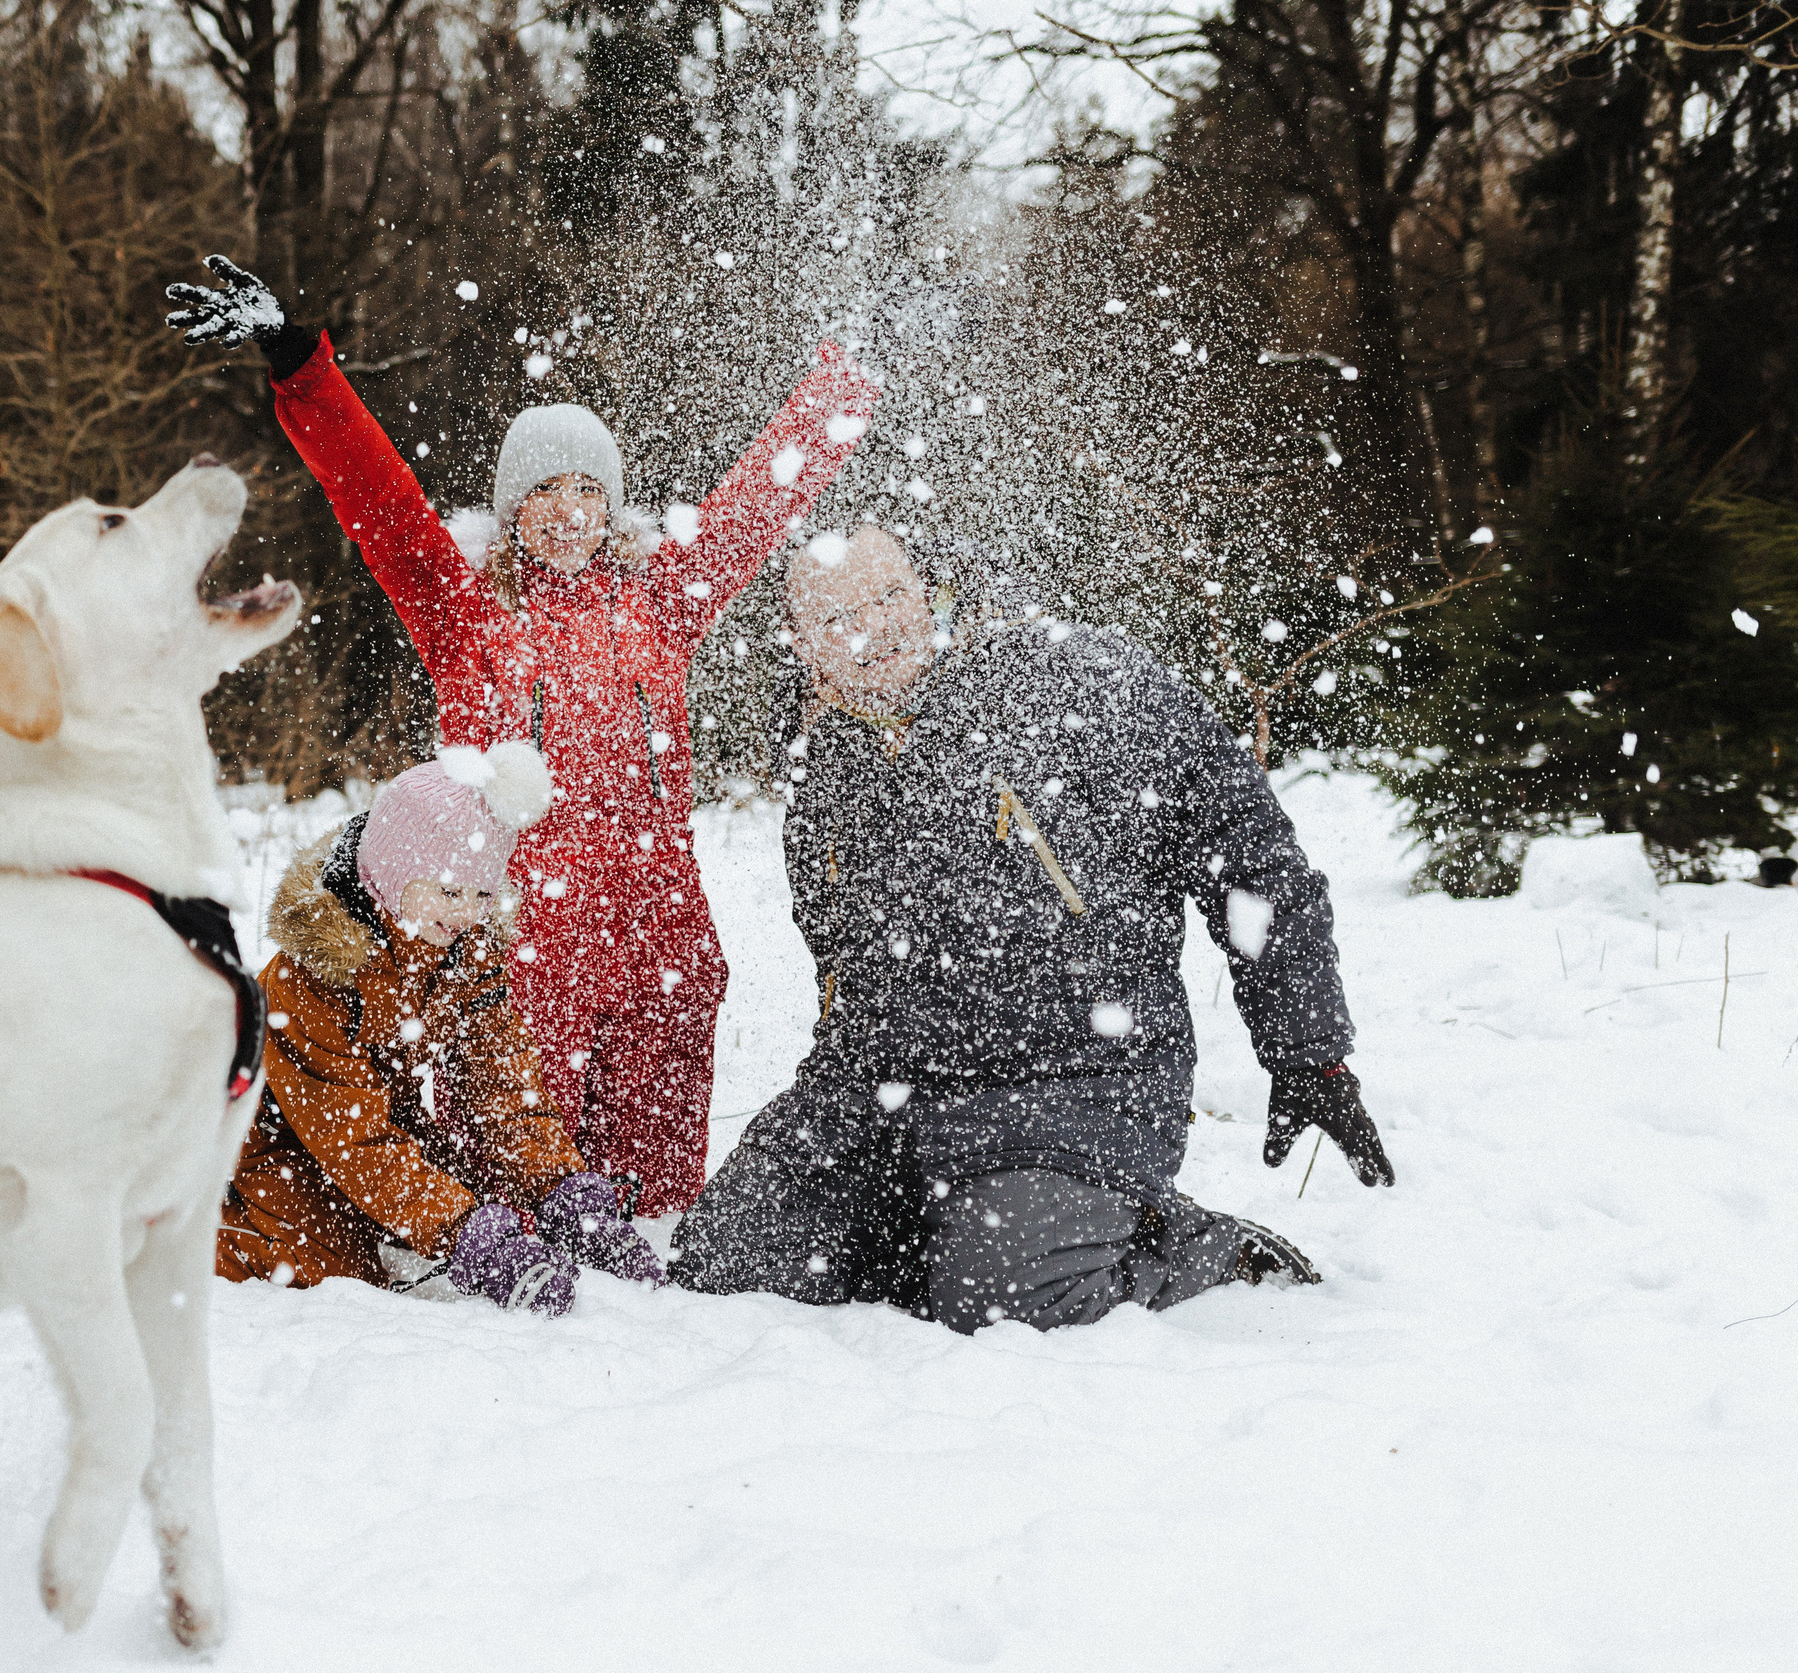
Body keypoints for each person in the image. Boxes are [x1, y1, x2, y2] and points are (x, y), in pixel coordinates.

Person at [164, 257, 880, 1213]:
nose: (573, 508)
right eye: (548, 489)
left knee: (658, 1231)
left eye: (591, 487)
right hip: (523, 963)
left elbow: (758, 502)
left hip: (664, 949)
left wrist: (847, 381)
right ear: (512, 509)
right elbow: (378, 501)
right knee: (532, 1220)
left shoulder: (663, 605)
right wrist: (303, 367)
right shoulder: (464, 617)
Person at [669, 527, 1392, 1332]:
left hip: (1077, 1082)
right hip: (894, 1088)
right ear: (802, 645)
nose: (874, 629)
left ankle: (1186, 1245)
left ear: (926, 593)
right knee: (729, 1257)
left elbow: (1246, 848)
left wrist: (1309, 1054)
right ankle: (977, 1233)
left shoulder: (1067, 680)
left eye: (889, 598)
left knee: (999, 1300)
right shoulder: (826, 771)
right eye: (839, 617)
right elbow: (847, 979)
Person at [217, 741, 667, 1316]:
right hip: (269, 1150)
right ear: (389, 873)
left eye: (482, 893)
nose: (465, 912)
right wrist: (463, 1231)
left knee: (454, 1197)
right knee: (327, 1274)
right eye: (449, 891)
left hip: (378, 1130)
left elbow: (499, 1083)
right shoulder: (311, 976)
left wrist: (565, 1193)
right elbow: (351, 1138)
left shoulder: (459, 947)